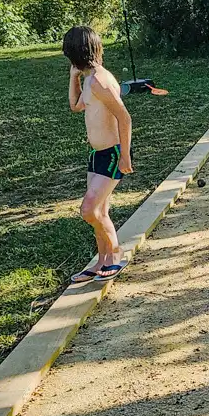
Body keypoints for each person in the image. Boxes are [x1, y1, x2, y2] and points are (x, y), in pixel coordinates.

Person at [63, 25, 134, 283]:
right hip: (96, 154)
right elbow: (75, 106)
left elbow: (124, 118)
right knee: (100, 211)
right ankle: (101, 261)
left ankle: (115, 254)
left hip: (113, 154)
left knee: (89, 210)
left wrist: (125, 156)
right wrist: (74, 78)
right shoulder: (90, 80)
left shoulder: (101, 82)